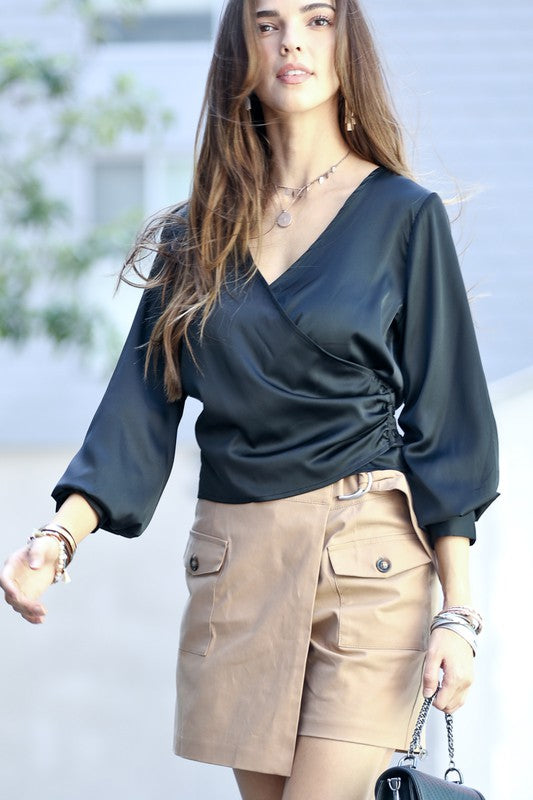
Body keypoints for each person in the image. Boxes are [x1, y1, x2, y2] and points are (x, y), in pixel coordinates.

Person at [0, 1, 499, 798]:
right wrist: (57, 537)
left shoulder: (403, 216)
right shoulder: (196, 236)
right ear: (241, 50)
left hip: (365, 557)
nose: (291, 40)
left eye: (316, 19)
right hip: (238, 564)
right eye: (266, 23)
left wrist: (457, 613)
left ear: (345, 45)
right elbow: (138, 409)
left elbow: (448, 420)